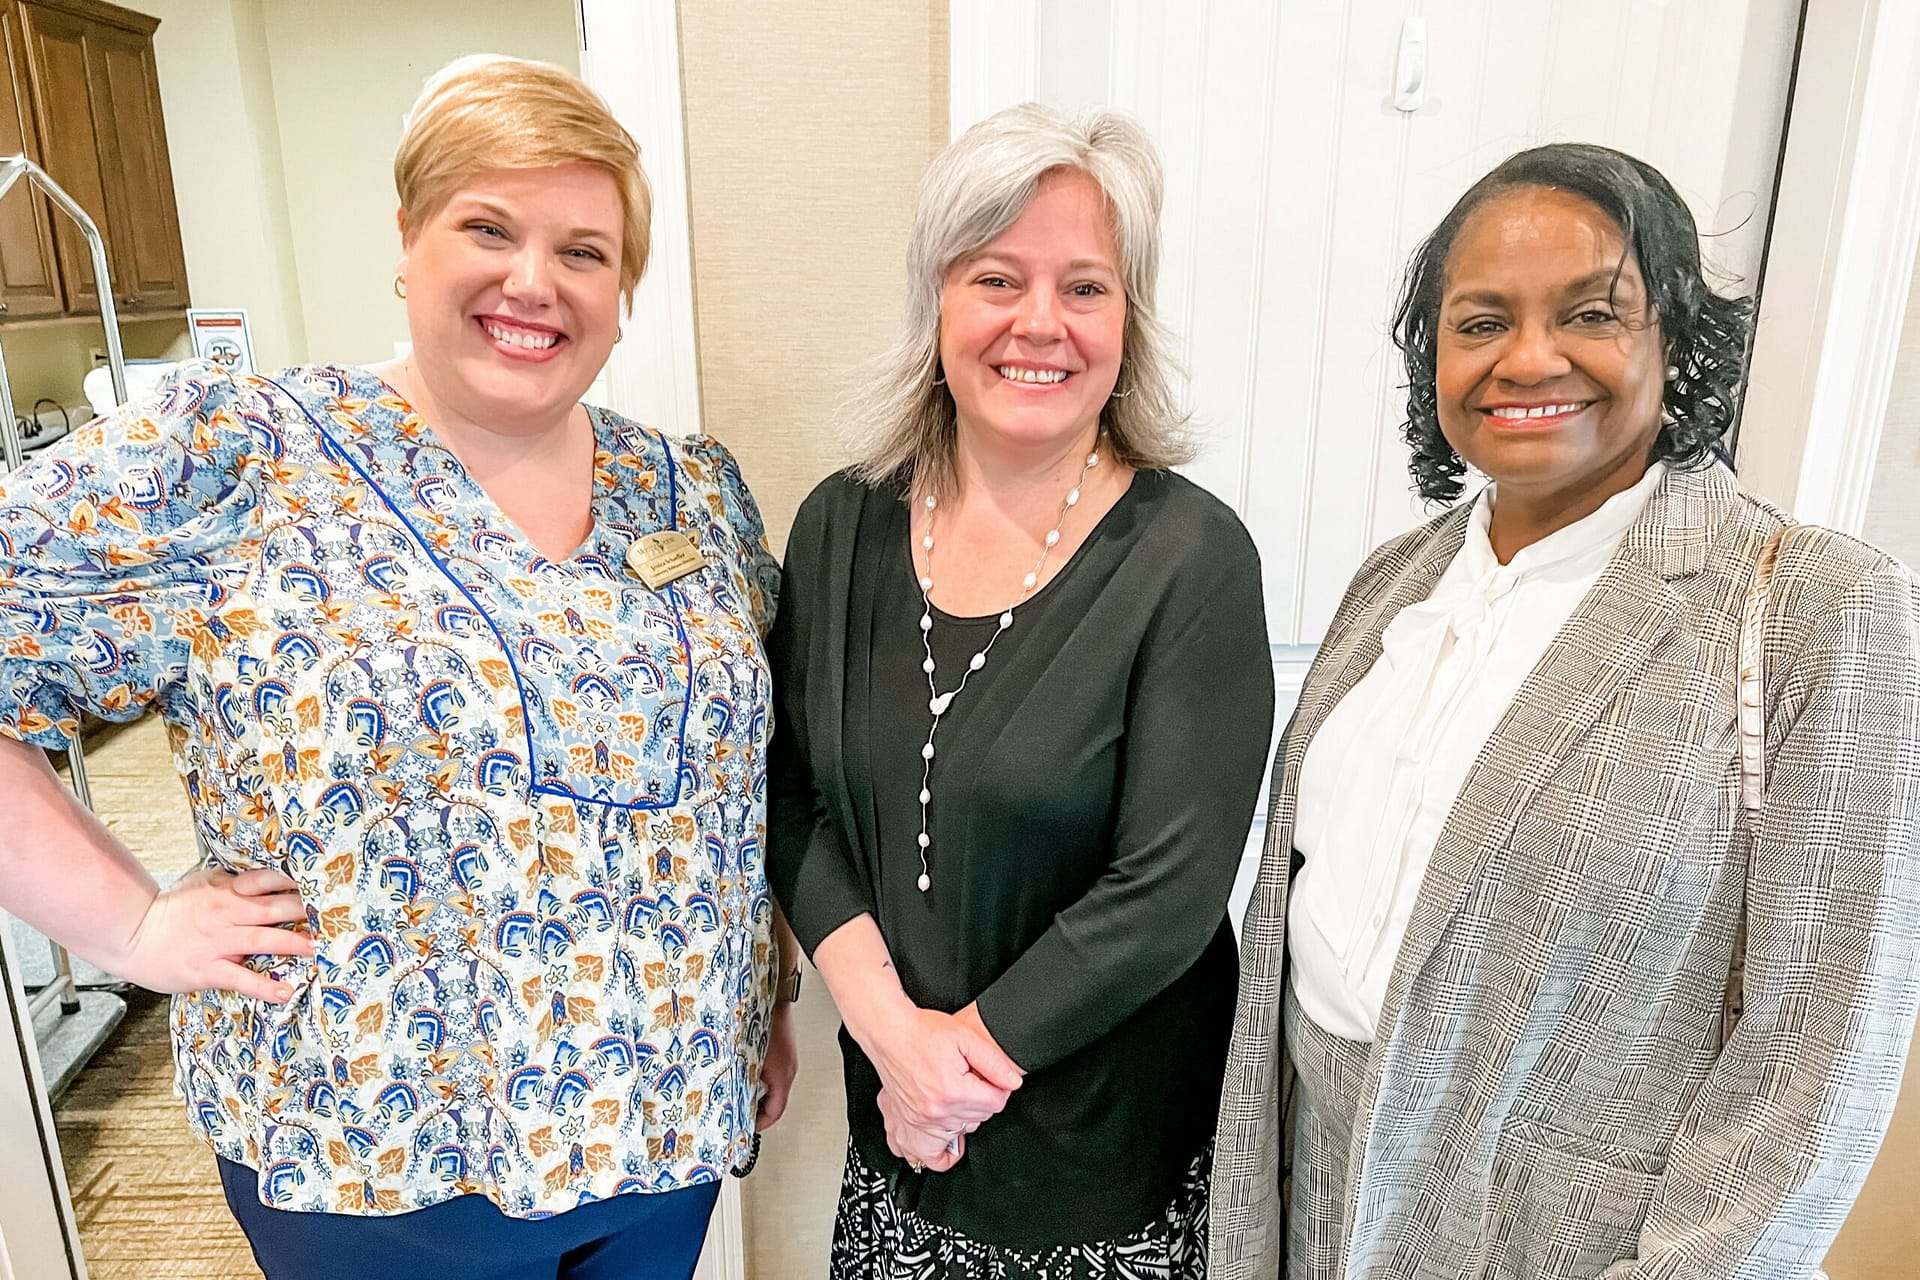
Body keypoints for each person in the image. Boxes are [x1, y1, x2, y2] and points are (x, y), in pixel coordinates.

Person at [0, 54, 797, 1280]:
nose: (534, 280)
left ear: (624, 288)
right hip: (375, 1162)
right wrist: (131, 922)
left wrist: (773, 993)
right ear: (408, 237)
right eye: (489, 226)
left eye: (584, 250)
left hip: (670, 1137)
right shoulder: (240, 461)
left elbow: (756, 775)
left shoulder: (692, 489)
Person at [1210, 142, 1920, 1279]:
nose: (1527, 357)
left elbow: (1817, 1064)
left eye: (1591, 312)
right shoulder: (1393, 582)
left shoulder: (1812, 604)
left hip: (1564, 1243)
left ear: (1677, 340)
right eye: (1480, 322)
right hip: (1318, 1196)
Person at [767, 102, 1275, 1278]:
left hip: (1100, 1161)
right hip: (899, 1132)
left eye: (1085, 288)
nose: (1039, 323)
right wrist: (895, 1041)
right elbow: (792, 791)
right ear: (936, 298)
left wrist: (953, 1070)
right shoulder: (841, 523)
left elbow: (1168, 889)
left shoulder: (1191, 558)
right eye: (997, 277)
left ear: (1128, 321)